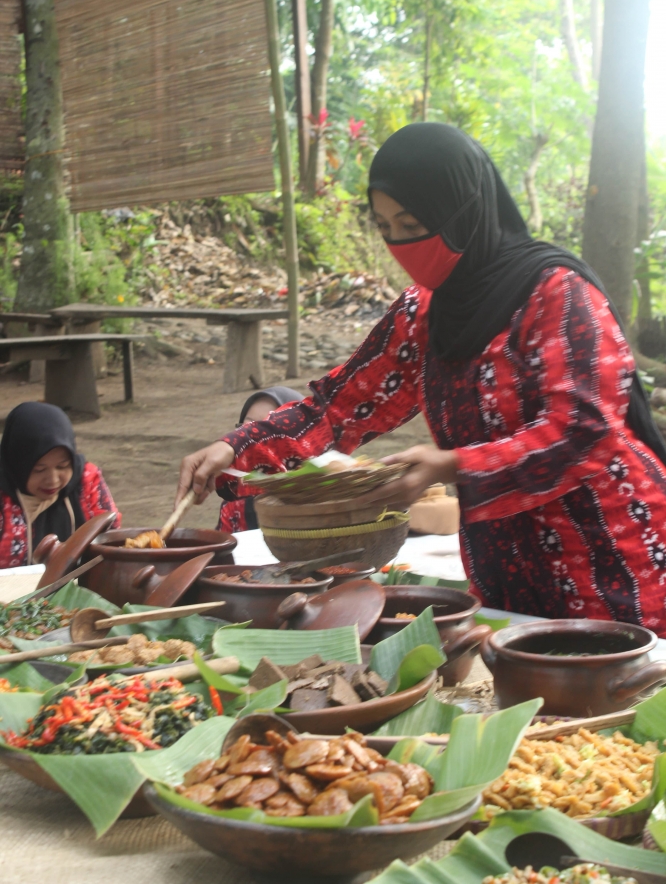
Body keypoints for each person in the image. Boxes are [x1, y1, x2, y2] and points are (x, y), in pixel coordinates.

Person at [177, 122, 666, 635]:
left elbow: (584, 429)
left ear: (464, 210)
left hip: (608, 553)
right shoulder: (422, 315)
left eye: (411, 224)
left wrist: (451, 465)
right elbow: (338, 407)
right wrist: (234, 450)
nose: (399, 243)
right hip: (502, 561)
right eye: (385, 227)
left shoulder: (556, 295)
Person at [0, 402, 121, 568]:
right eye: (39, 470)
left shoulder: (86, 480)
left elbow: (112, 538)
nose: (53, 480)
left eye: (62, 466)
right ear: (17, 465)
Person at [216, 386, 304, 532]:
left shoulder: (321, 507)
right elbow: (222, 551)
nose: (252, 443)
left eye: (266, 433)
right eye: (246, 430)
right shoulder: (235, 503)